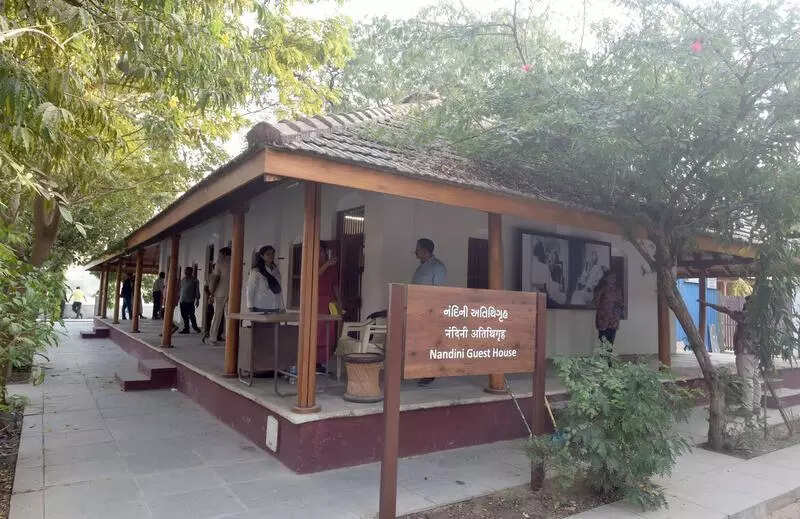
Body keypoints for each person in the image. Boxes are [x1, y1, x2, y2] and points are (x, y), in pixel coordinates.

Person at [701, 296, 761, 416]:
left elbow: (727, 310)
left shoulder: (747, 316)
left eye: (747, 302)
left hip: (745, 352)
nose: (745, 304)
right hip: (755, 352)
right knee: (755, 379)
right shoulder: (759, 316)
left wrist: (708, 304)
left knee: (747, 380)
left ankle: (747, 408)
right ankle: (755, 406)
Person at [411, 238, 447, 386]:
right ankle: (420, 370)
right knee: (419, 343)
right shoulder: (421, 267)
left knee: (430, 343)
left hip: (430, 312)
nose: (415, 251)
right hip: (417, 310)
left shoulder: (437, 267)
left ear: (425, 250)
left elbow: (437, 292)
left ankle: (430, 373)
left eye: (417, 248)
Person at [317, 244, 340, 369]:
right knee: (317, 331)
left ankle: (325, 361)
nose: (321, 253)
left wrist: (339, 302)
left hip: (330, 302)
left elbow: (335, 285)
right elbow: (315, 276)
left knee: (329, 331)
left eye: (322, 251)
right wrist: (326, 265)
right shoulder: (312, 263)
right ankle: (314, 360)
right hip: (316, 301)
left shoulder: (332, 267)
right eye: (319, 251)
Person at [247, 245, 284, 313]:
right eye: (268, 254)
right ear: (262, 256)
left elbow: (279, 289)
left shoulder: (276, 271)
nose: (271, 256)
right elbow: (250, 289)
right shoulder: (256, 271)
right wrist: (250, 307)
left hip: (275, 306)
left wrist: (282, 306)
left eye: (273, 253)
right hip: (261, 307)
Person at [592, 271, 623, 347]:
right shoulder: (600, 288)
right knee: (603, 341)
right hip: (603, 318)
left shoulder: (618, 289)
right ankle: (603, 358)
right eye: (611, 277)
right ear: (606, 278)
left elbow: (620, 302)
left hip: (614, 319)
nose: (613, 279)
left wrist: (618, 310)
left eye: (614, 277)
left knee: (611, 342)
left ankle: (608, 358)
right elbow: (595, 302)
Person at [208, 247, 231, 345]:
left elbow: (215, 280)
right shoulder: (236, 261)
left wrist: (211, 294)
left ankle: (213, 338)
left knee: (217, 316)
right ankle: (228, 337)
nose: (219, 256)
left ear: (224, 254)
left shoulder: (220, 263)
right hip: (231, 293)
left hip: (220, 293)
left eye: (220, 254)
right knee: (228, 316)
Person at [178, 267, 201, 334]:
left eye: (187, 271)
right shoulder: (183, 280)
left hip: (190, 301)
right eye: (185, 271)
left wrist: (197, 299)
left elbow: (197, 290)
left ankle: (195, 327)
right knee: (184, 315)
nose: (185, 272)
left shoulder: (195, 280)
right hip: (182, 300)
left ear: (191, 272)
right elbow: (181, 290)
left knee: (191, 315)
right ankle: (186, 329)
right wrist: (178, 298)